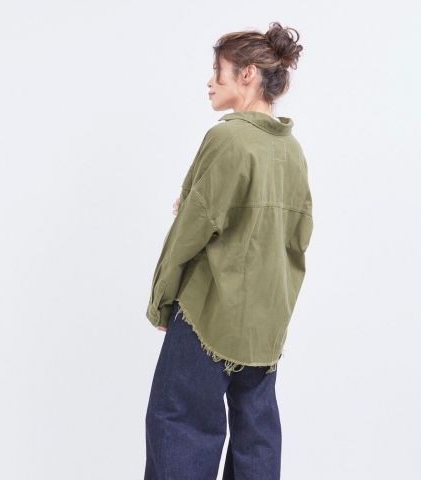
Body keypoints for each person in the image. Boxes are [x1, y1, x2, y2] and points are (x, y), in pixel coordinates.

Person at [144, 21, 313, 480]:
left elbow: (191, 229)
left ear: (248, 73)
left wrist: (162, 299)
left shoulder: (227, 138)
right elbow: (298, 240)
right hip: (264, 324)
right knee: (256, 435)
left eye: (217, 70)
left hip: (209, 313)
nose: (210, 81)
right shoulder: (293, 151)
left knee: (180, 422)